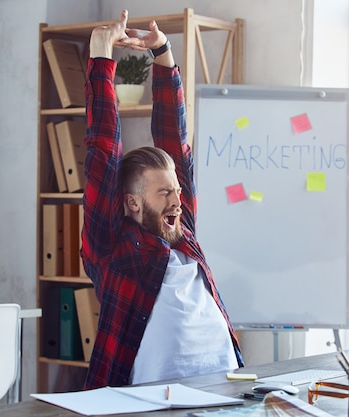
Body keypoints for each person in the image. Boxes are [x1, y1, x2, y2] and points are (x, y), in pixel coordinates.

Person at [80, 9, 244, 390]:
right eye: (165, 192)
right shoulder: (113, 249)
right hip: (148, 402)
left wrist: (163, 52)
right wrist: (101, 55)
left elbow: (176, 140)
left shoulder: (183, 234)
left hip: (225, 391)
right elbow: (102, 149)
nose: (178, 200)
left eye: (178, 189)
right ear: (133, 203)